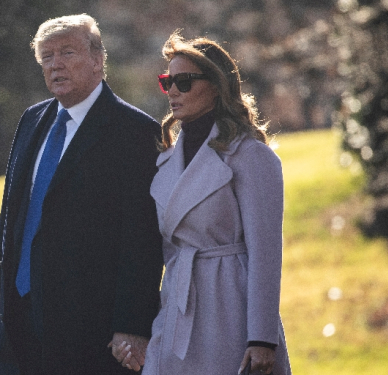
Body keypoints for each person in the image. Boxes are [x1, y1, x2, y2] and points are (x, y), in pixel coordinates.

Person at [0, 14, 164, 375]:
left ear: (98, 59)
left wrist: (133, 324)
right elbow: (12, 219)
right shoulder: (32, 120)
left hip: (90, 328)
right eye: (46, 57)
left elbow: (142, 238)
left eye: (67, 52)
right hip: (19, 319)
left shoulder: (136, 133)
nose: (56, 64)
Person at [113, 31, 293, 374]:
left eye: (184, 81)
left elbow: (266, 255)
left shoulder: (251, 156)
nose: (173, 92)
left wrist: (261, 338)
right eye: (168, 82)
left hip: (231, 312)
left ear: (216, 85)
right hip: (177, 309)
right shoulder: (165, 161)